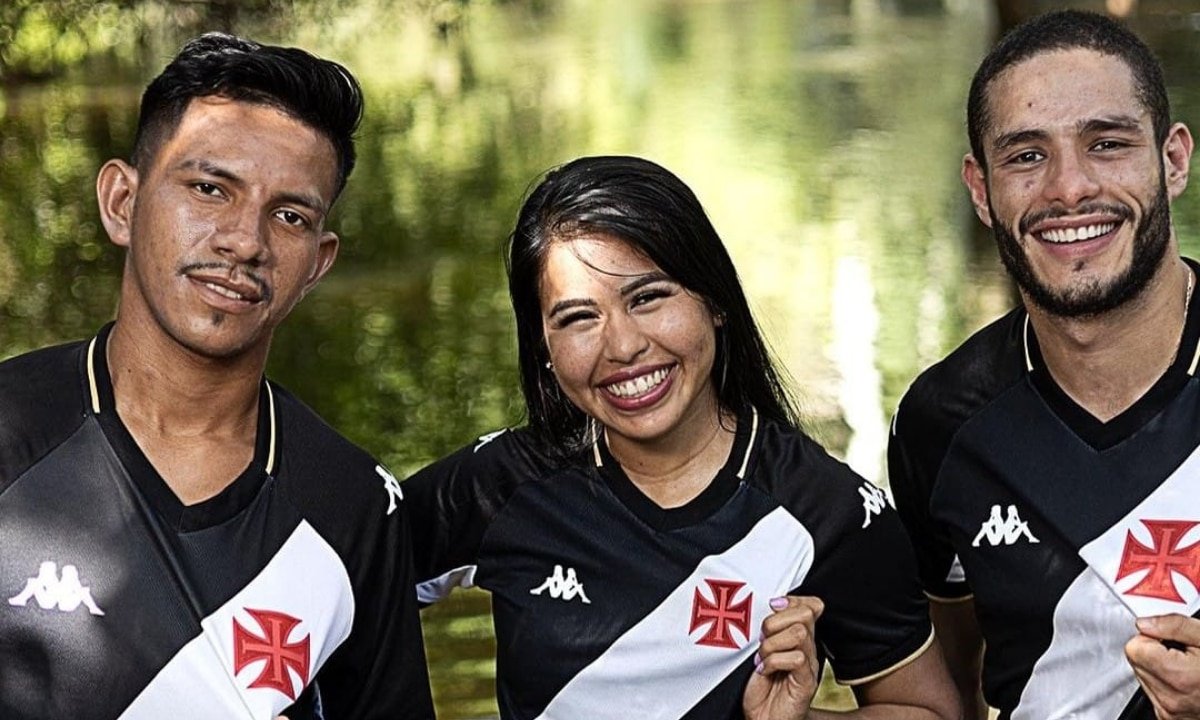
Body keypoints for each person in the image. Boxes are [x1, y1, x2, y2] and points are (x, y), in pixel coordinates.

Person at [405, 155, 959, 719]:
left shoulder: (827, 510)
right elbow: (335, 587)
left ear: (714, 301)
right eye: (577, 318)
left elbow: (931, 712)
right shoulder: (500, 484)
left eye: (648, 297)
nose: (622, 346)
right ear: (543, 348)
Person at [0, 33, 434, 719]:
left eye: (289, 216)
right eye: (209, 189)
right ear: (121, 202)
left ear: (318, 263)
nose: (245, 242)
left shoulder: (348, 506)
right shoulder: (11, 434)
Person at [887, 9, 1199, 720]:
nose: (1069, 188)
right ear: (980, 189)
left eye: (1108, 143)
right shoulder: (942, 421)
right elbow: (944, 694)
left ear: (1174, 160)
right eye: (1026, 156)